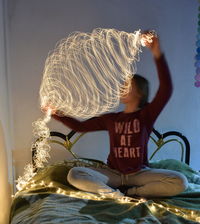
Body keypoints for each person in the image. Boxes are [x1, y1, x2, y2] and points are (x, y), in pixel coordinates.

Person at [48, 32, 188, 200]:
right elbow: (80, 127)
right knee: (74, 174)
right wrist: (56, 113)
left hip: (139, 174)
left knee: (181, 181)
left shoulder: (146, 115)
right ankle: (116, 196)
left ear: (140, 92)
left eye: (127, 85)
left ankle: (133, 193)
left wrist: (157, 53)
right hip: (112, 175)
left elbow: (166, 89)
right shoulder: (111, 120)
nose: (122, 87)